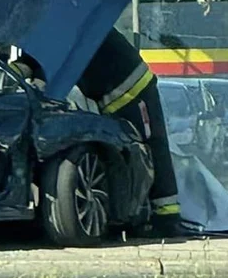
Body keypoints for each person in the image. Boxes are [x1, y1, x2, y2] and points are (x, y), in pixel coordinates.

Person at [77, 29, 180, 236]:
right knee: (131, 153)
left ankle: (167, 217)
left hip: (131, 88)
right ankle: (135, 215)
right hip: (115, 92)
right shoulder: (65, 15)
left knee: (151, 147)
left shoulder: (60, 19)